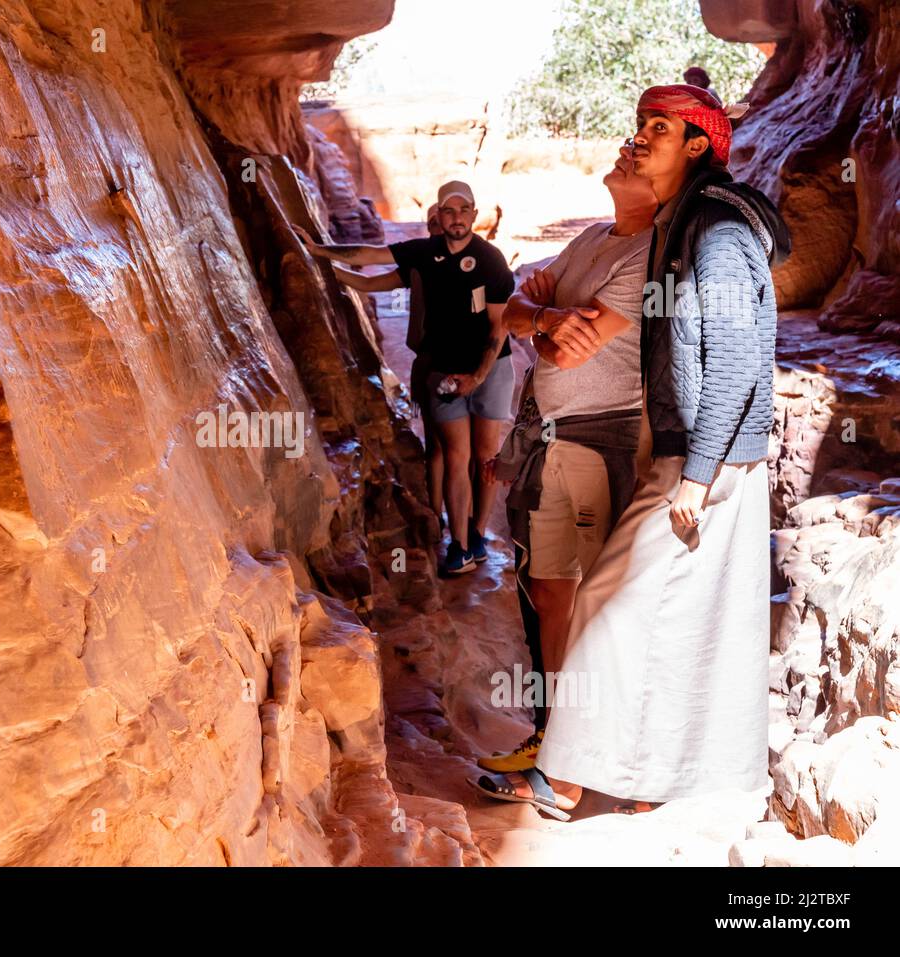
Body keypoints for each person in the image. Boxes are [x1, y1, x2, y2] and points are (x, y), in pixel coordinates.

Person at [476, 83, 790, 819]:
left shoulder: (713, 228)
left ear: (699, 146)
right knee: (667, 616)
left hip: (706, 462)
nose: (641, 137)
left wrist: (698, 473)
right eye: (641, 123)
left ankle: (569, 776)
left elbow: (740, 354)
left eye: (660, 127)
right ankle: (651, 778)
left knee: (609, 605)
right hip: (694, 458)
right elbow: (530, 315)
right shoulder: (687, 224)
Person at [476, 142, 656, 775]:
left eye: (645, 145)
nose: (628, 149)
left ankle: (603, 750)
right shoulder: (590, 239)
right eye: (630, 139)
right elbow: (515, 310)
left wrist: (538, 323)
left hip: (595, 433)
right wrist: (543, 315)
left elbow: (563, 353)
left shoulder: (647, 253)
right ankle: (558, 738)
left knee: (590, 598)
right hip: (553, 433)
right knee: (551, 594)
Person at [294, 181, 516, 575]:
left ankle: (477, 532)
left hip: (490, 368)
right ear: (439, 216)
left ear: (473, 213)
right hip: (444, 371)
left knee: (484, 455)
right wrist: (317, 252)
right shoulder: (423, 254)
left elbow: (498, 330)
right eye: (448, 211)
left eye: (464, 210)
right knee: (456, 454)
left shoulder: (490, 260)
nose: (457, 218)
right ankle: (460, 546)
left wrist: (477, 378)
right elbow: (368, 260)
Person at [331, 201, 450, 531]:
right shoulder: (421, 264)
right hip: (430, 364)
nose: (436, 230)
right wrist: (321, 260)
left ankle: (466, 531)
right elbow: (369, 281)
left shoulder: (474, 263)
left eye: (441, 224)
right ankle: (440, 516)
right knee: (438, 445)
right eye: (433, 224)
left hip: (460, 365)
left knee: (459, 447)